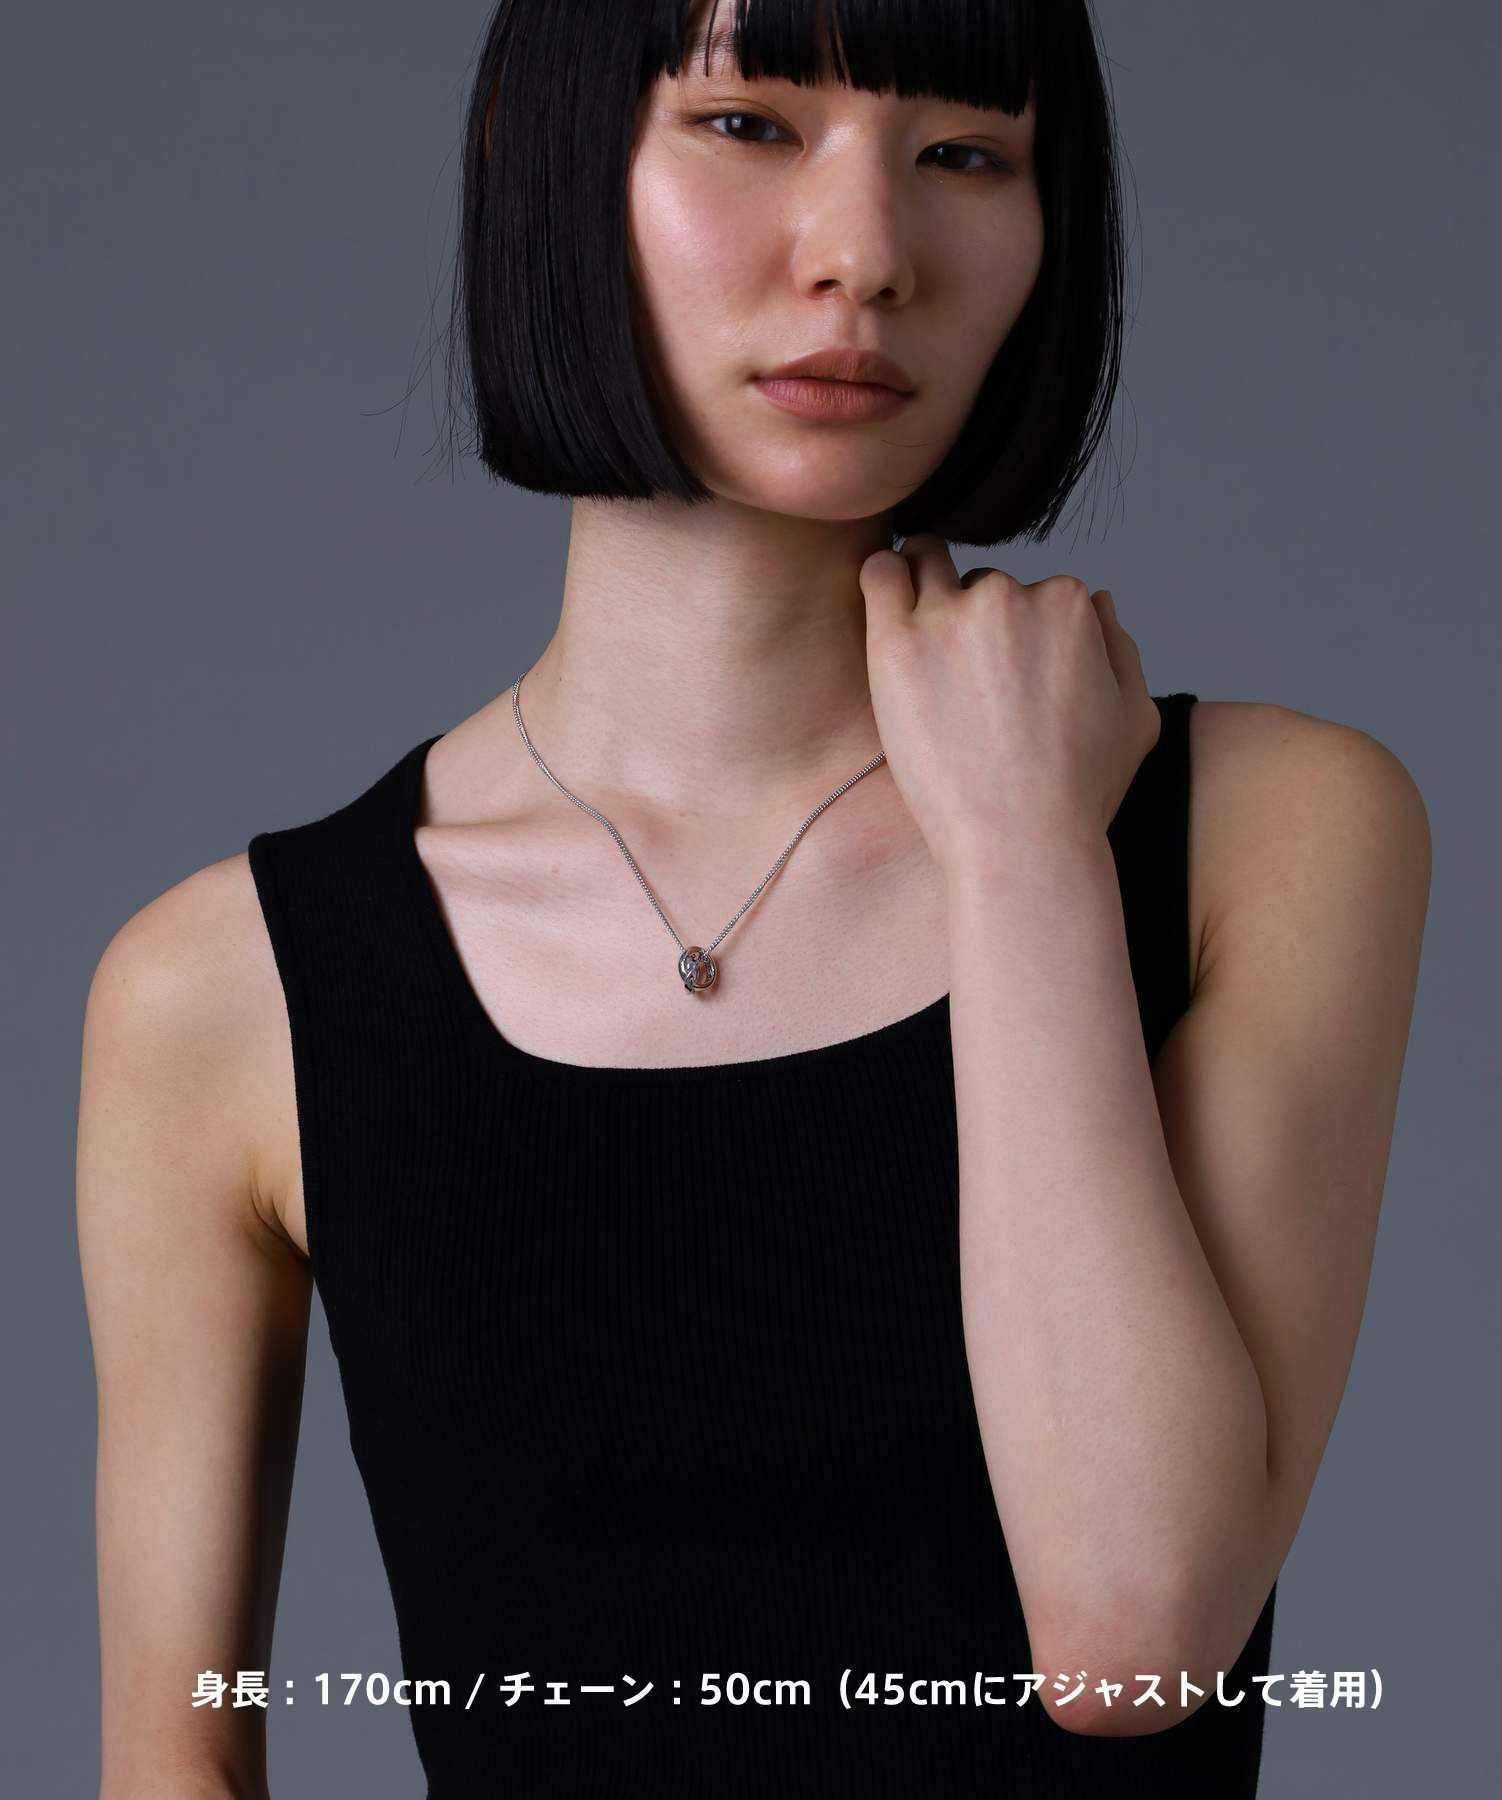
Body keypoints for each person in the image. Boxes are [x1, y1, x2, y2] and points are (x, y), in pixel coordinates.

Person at [77, 2, 1431, 1795]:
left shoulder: (1266, 831)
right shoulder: (227, 987)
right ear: (546, 164)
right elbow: (173, 1769)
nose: (864, 255)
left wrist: (1023, 855)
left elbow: (1133, 1638)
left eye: (965, 155)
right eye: (746, 125)